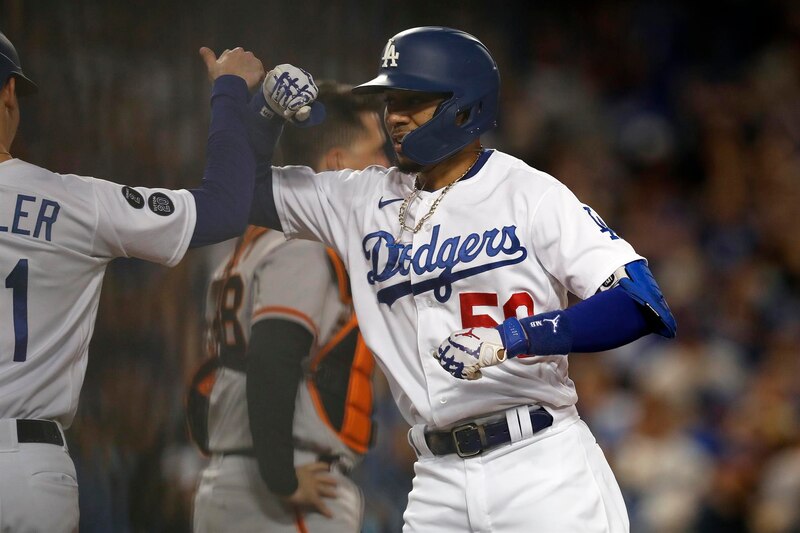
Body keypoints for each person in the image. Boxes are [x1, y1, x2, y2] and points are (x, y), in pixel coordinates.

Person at [248, 26, 676, 532]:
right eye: (389, 101)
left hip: (541, 468)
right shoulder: (360, 199)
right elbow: (238, 195)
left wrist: (515, 336)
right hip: (437, 479)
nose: (394, 117)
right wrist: (261, 119)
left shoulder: (529, 194)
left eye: (413, 101)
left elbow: (642, 303)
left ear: (464, 106)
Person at [0, 28, 317, 532]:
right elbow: (222, 210)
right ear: (10, 92)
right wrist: (230, 89)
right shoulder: (71, 202)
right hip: (24, 468)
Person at [190, 80, 389, 533]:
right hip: (282, 487)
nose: (385, 167)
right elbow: (273, 356)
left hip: (237, 476)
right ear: (339, 166)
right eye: (376, 153)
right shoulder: (302, 244)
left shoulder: (251, 244)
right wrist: (281, 478)